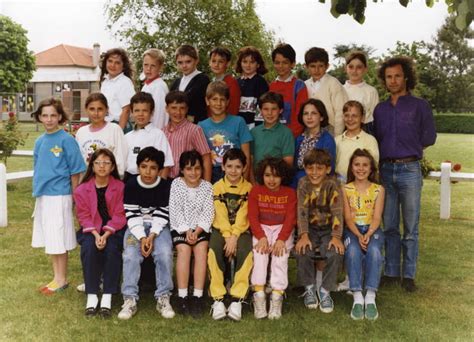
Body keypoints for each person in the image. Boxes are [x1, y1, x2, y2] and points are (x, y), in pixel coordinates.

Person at [374, 56, 436, 292]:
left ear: (406, 77)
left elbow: (429, 137)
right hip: (386, 170)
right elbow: (378, 138)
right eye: (389, 77)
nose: (393, 80)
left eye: (397, 75)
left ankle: (408, 275)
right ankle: (390, 272)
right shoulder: (380, 109)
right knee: (389, 224)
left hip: (410, 169)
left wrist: (409, 148)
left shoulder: (420, 106)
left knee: (411, 227)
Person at [31, 98, 86, 294]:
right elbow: (38, 167)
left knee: (59, 237)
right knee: (52, 237)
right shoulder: (39, 142)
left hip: (60, 195)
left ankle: (61, 279)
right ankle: (56, 277)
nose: (49, 119)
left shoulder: (66, 140)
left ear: (60, 117)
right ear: (39, 117)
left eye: (53, 115)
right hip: (44, 195)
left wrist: (74, 197)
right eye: (45, 115)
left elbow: (76, 171)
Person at [118, 147, 175, 320]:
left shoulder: (165, 186)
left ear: (159, 170)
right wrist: (142, 237)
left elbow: (162, 213)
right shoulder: (131, 185)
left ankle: (163, 296)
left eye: (152, 168)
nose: (148, 171)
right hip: (136, 226)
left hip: (159, 226)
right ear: (138, 167)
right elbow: (132, 214)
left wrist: (152, 236)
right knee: (130, 255)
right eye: (144, 166)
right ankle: (129, 298)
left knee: (164, 253)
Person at [73, 149, 126, 318]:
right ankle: (92, 295)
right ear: (92, 166)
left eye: (106, 163)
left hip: (113, 230)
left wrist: (106, 235)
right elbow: (83, 216)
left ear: (112, 167)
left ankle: (107, 297)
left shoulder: (120, 187)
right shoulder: (82, 189)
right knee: (89, 249)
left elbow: (119, 214)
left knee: (111, 250)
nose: (102, 166)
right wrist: (96, 235)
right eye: (98, 163)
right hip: (91, 229)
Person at [295, 149, 344, 313]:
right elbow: (301, 211)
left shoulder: (333, 185)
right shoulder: (303, 184)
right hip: (310, 228)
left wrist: (336, 237)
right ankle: (309, 288)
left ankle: (325, 291)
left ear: (327, 169)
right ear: (305, 168)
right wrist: (303, 235)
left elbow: (337, 211)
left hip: (328, 228)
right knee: (302, 250)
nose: (314, 173)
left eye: (319, 168)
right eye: (310, 168)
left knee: (334, 252)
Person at [208, 148, 253, 321]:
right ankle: (218, 298)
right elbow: (219, 213)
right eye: (229, 166)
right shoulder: (217, 187)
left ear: (243, 168)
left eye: (237, 167)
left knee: (245, 252)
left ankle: (237, 298)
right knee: (213, 251)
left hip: (241, 231)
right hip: (221, 230)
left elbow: (244, 215)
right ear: (223, 167)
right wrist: (227, 235)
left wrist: (234, 236)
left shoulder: (248, 188)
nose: (233, 171)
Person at [249, 157, 296, 320]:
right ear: (262, 175)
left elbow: (290, 218)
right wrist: (261, 236)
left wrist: (282, 239)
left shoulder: (289, 193)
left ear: (282, 176)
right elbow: (253, 217)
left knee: (280, 254)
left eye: (276, 176)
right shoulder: (256, 191)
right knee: (260, 253)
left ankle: (277, 295)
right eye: (268, 175)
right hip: (261, 228)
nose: (271, 180)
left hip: (282, 229)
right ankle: (259, 294)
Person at [169, 150, 215, 317]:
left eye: (197, 168)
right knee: (184, 250)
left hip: (200, 228)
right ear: (182, 170)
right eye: (188, 169)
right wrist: (187, 230)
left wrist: (197, 231)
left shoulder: (207, 187)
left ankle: (197, 296)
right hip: (181, 227)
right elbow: (175, 210)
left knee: (201, 250)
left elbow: (208, 212)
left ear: (202, 169)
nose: (193, 173)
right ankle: (182, 296)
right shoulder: (176, 184)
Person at [342, 148, 385, 321]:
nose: (361, 168)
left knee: (374, 251)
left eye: (365, 165)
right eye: (357, 165)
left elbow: (376, 217)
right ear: (351, 168)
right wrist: (359, 236)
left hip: (372, 228)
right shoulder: (345, 188)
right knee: (352, 251)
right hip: (352, 229)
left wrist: (368, 233)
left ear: (371, 168)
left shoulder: (378, 190)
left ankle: (371, 296)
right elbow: (347, 217)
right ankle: (357, 295)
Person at [198, 81, 252, 183]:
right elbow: (202, 159)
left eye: (222, 99)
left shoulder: (239, 122)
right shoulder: (201, 126)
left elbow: (246, 157)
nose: (218, 103)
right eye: (214, 99)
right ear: (207, 101)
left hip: (235, 172)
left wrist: (244, 183)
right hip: (211, 174)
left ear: (227, 102)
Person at [162, 91, 212, 181]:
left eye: (182, 108)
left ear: (187, 109)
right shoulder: (163, 131)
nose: (178, 112)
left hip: (187, 181)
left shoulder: (194, 130)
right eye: (174, 108)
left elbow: (206, 157)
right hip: (166, 179)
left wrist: (207, 186)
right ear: (166, 108)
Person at [75, 93, 128, 177]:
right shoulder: (81, 132)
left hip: (109, 180)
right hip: (87, 180)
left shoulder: (114, 129)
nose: (96, 113)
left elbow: (121, 159)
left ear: (106, 109)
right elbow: (78, 160)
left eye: (100, 109)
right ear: (86, 109)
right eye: (92, 109)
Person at [124, 92, 173, 180]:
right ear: (131, 112)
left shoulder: (158, 135)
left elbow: (166, 164)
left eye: (145, 111)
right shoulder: (127, 137)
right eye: (137, 110)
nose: (140, 114)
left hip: (152, 181)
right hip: (130, 180)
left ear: (152, 112)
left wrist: (159, 185)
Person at [304, 47, 348, 136]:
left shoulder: (333, 83)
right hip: (310, 130)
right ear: (306, 67)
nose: (316, 70)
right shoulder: (304, 85)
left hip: (330, 130)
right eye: (312, 66)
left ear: (327, 66)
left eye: (320, 66)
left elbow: (340, 112)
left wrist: (337, 136)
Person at [293, 99, 336, 187]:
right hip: (297, 184)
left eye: (314, 113)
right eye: (306, 113)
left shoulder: (327, 140)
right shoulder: (299, 139)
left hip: (318, 186)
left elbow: (329, 170)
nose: (309, 117)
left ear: (321, 117)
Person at [269, 43, 308, 137]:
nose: (280, 66)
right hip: (272, 136)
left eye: (285, 62)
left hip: (292, 138)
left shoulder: (299, 86)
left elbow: (300, 116)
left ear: (293, 64)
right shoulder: (271, 86)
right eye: (277, 62)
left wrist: (289, 136)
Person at [250, 92, 294, 173]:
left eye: (274, 109)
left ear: (280, 110)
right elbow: (251, 160)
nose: (269, 113)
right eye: (266, 109)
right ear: (260, 110)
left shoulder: (286, 133)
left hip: (277, 179)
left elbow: (288, 162)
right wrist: (253, 181)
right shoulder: (253, 132)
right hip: (257, 180)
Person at [335, 100, 379, 183]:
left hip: (361, 186)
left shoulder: (370, 140)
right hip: (339, 185)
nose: (350, 119)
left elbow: (374, 167)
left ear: (362, 118)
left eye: (354, 116)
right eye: (346, 115)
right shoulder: (337, 140)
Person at [170, 45, 210, 123]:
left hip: (197, 125)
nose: (184, 66)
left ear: (196, 60)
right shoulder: (176, 82)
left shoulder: (203, 79)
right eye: (180, 62)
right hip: (177, 125)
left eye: (188, 61)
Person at [99, 48, 135, 132]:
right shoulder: (105, 82)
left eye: (117, 63)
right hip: (107, 124)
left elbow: (126, 110)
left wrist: (119, 133)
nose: (112, 65)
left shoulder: (124, 82)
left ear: (123, 66)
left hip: (121, 125)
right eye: (110, 61)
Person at [343, 51, 379, 135]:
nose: (354, 71)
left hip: (366, 130)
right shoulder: (340, 89)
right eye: (351, 67)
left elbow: (375, 117)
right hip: (344, 130)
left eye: (359, 67)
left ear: (365, 69)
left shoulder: (371, 91)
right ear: (346, 68)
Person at [235, 46, 269, 128]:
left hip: (254, 126)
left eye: (252, 62)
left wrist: (258, 127)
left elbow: (262, 106)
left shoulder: (261, 82)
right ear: (240, 63)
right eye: (245, 61)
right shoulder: (236, 82)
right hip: (238, 125)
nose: (248, 65)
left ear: (258, 64)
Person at [141, 48, 169, 129]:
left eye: (153, 65)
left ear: (161, 67)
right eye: (146, 65)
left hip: (154, 132)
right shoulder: (147, 85)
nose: (148, 69)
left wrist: (155, 135)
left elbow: (160, 116)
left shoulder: (159, 86)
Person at [209, 47, 241, 115]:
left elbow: (234, 108)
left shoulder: (231, 83)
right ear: (209, 62)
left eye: (220, 62)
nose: (216, 65)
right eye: (213, 61)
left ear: (228, 63)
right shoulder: (211, 82)